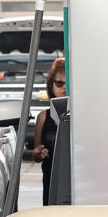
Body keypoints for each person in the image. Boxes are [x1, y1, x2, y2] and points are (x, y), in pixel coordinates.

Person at [32, 56, 66, 205]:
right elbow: (36, 154)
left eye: (68, 83)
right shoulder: (43, 117)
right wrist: (39, 152)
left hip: (79, 183)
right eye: (59, 83)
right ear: (51, 85)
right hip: (51, 179)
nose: (64, 88)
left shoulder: (84, 114)